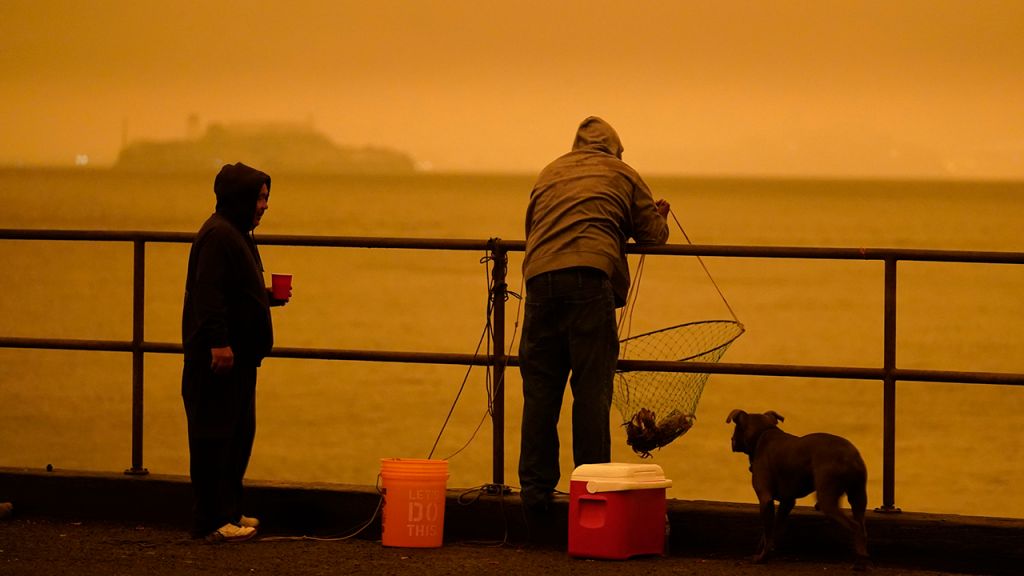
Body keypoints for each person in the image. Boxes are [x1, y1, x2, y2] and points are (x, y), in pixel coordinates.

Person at [518, 117, 670, 517]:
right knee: (590, 393)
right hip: (589, 282)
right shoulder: (623, 172)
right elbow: (653, 236)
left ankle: (534, 497)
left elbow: (534, 229)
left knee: (540, 392)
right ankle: (590, 495)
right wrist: (659, 216)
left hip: (538, 281)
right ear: (615, 150)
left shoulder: (551, 171)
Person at [181, 162, 290, 542]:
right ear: (240, 198)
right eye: (260, 198)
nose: (264, 206)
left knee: (238, 435)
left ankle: (229, 511)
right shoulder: (218, 236)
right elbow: (208, 294)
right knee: (214, 436)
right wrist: (219, 342)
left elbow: (231, 291)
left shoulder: (237, 234)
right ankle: (210, 520)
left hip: (239, 358)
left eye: (266, 198)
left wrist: (264, 299)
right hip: (217, 361)